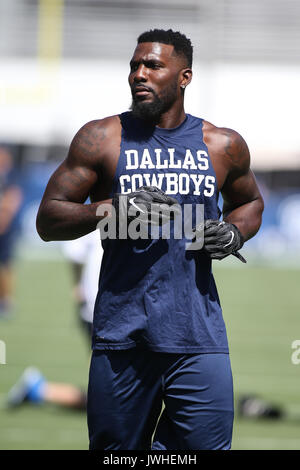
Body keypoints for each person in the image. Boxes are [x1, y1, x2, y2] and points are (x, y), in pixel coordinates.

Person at [36, 29, 264, 450]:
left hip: (198, 335)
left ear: (184, 77)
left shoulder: (222, 144)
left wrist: (234, 232)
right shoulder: (101, 138)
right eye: (134, 65)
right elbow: (48, 218)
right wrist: (113, 210)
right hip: (123, 336)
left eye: (153, 66)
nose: (139, 74)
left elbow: (250, 203)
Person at [6, 230, 102, 411]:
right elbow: (75, 252)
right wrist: (77, 286)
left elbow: (75, 254)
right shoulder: (103, 211)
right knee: (106, 394)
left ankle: (38, 390)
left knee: (110, 392)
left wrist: (77, 285)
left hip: (107, 304)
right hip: (100, 306)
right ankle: (39, 390)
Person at [0, 146, 23, 319]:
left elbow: (13, 199)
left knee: (5, 264)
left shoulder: (10, 178)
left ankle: (6, 300)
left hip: (5, 229)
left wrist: (4, 221)